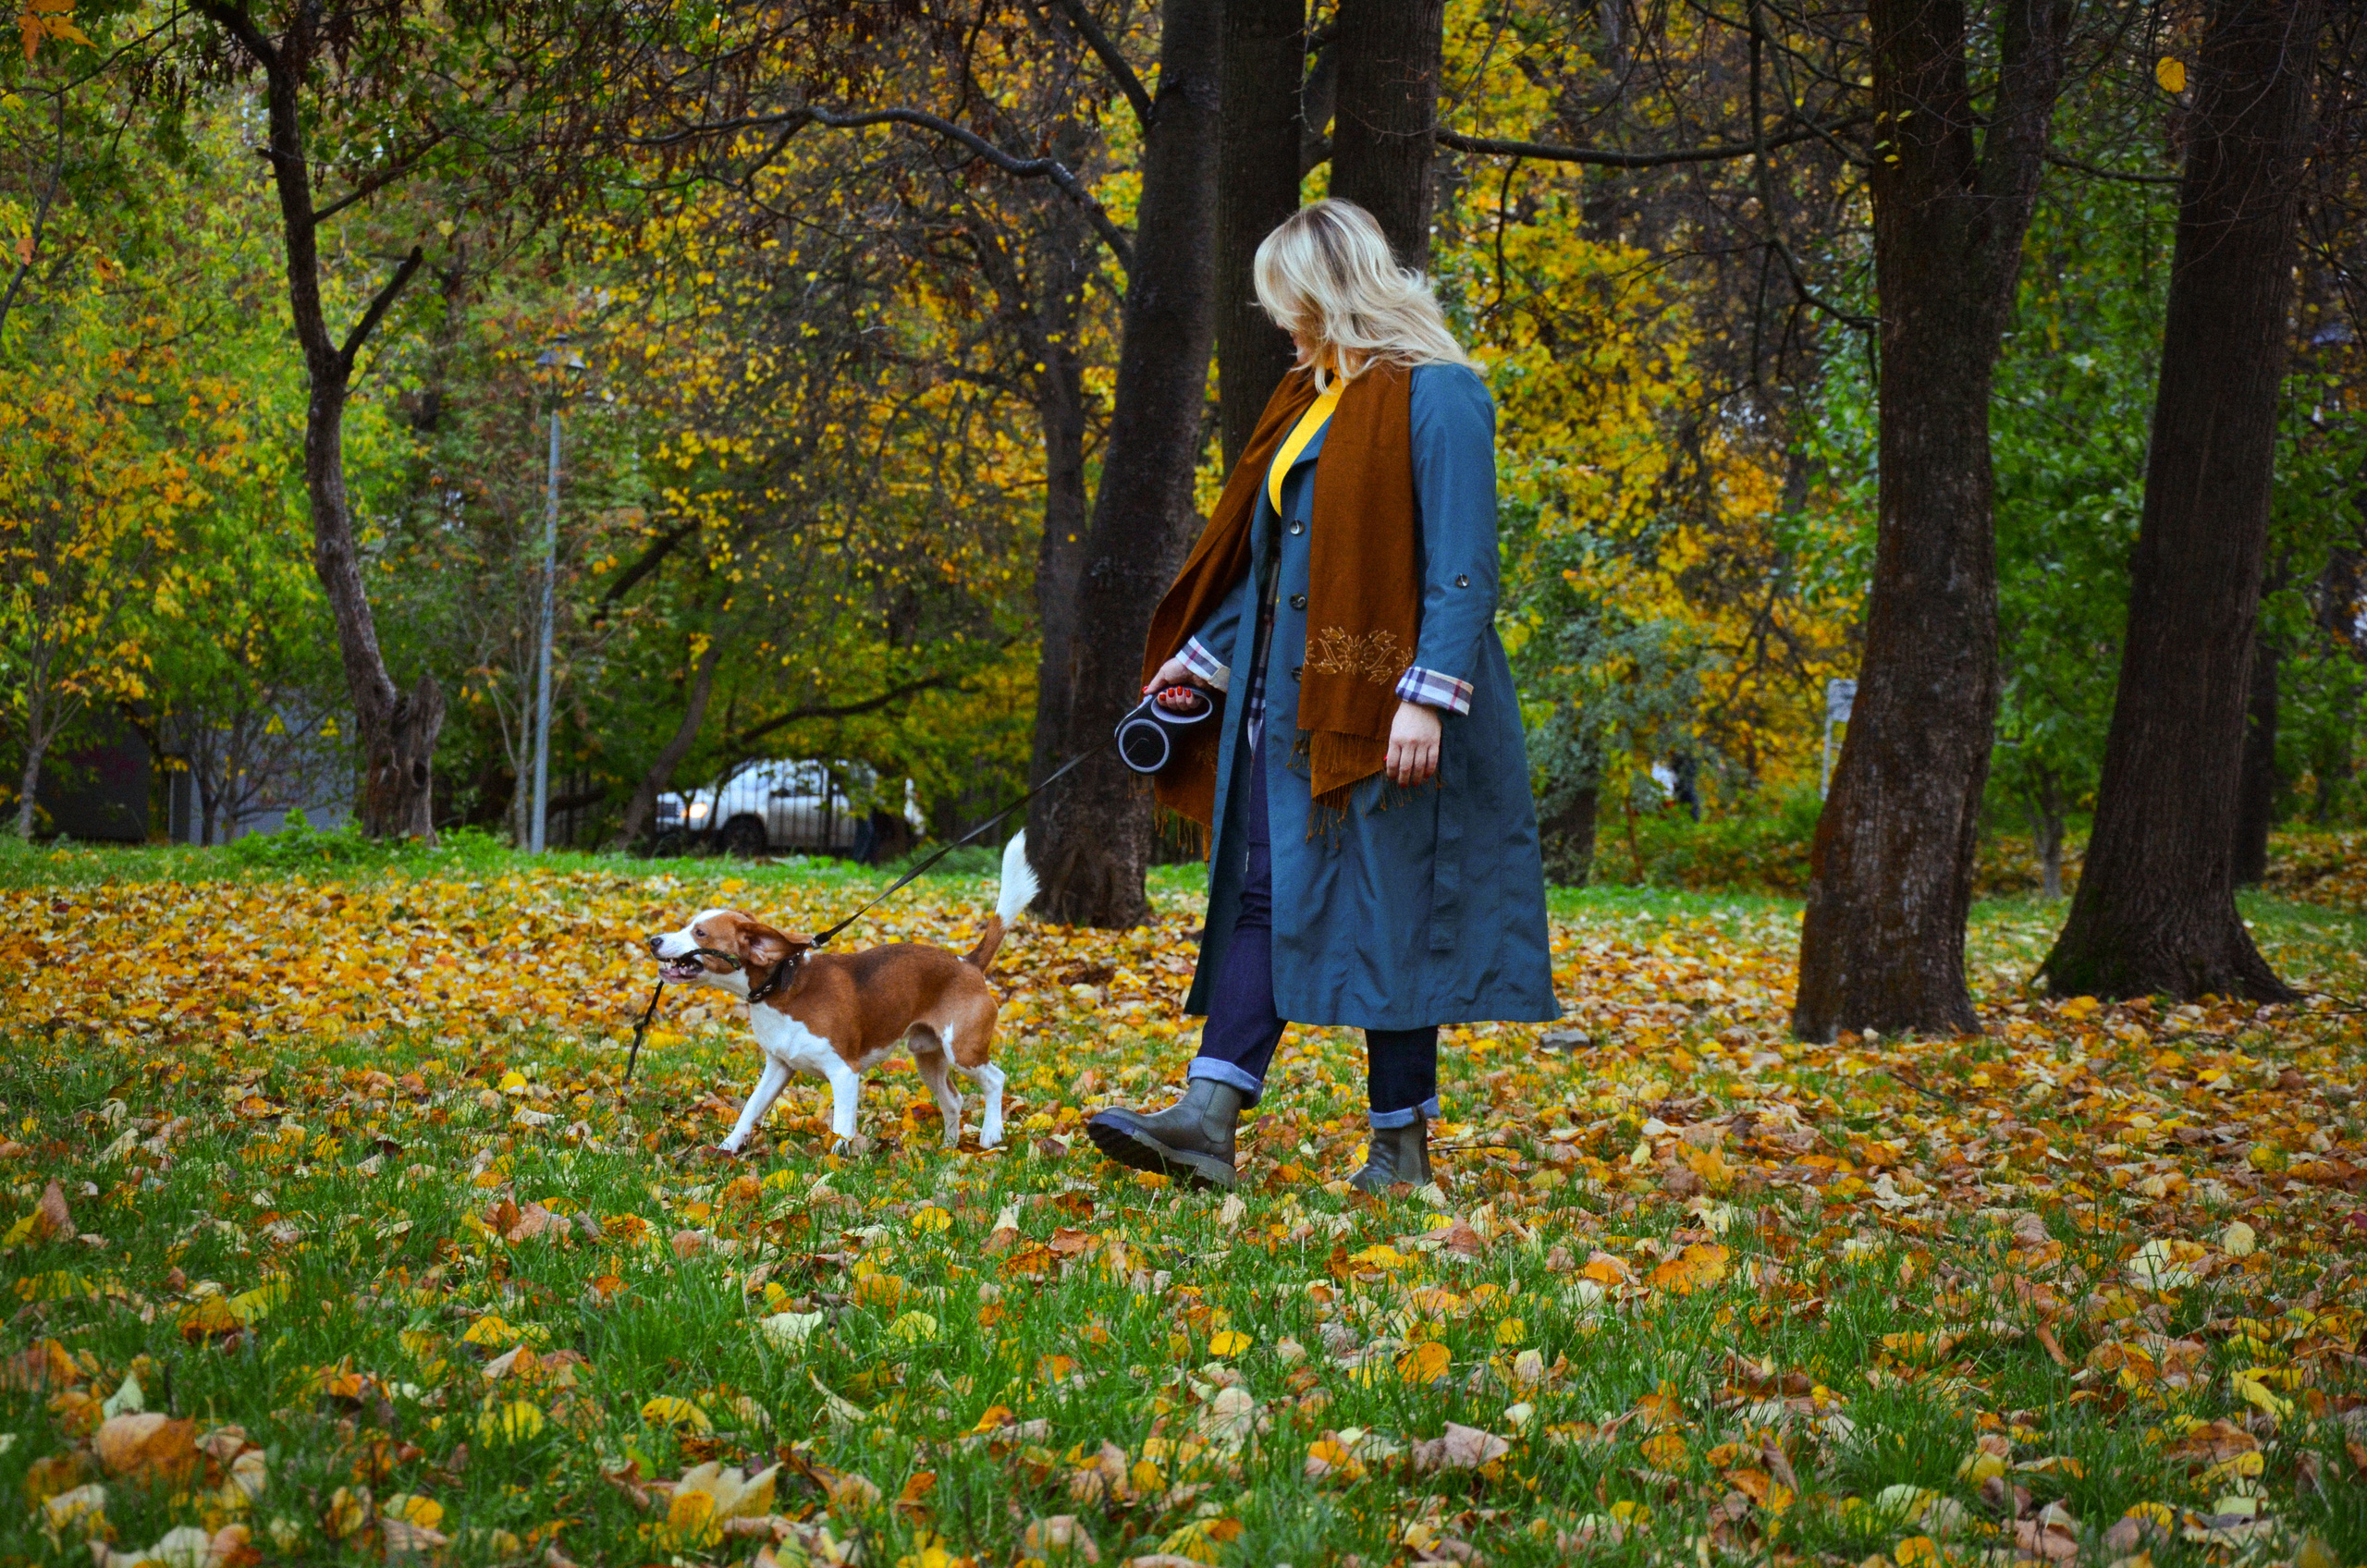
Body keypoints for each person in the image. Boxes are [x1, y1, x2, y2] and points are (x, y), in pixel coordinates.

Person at [1086, 200, 1558, 1193]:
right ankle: (1207, 1119)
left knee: (1393, 912)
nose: (1280, 323)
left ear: (1333, 290)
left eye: (1289, 301)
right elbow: (1267, 566)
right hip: (1285, 705)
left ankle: (1399, 1154)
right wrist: (1202, 663)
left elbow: (1465, 568)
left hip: (1395, 712)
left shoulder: (1439, 395)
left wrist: (1425, 697)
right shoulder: (1308, 400)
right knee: (1261, 889)